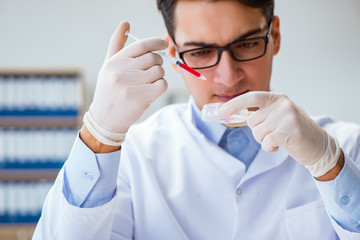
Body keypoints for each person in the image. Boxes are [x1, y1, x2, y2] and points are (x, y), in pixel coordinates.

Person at [33, 0, 360, 239]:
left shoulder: (345, 148)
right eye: (201, 52)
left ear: (274, 35)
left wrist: (329, 165)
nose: (228, 76)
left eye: (246, 44)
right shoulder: (132, 157)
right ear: (173, 55)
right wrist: (98, 133)